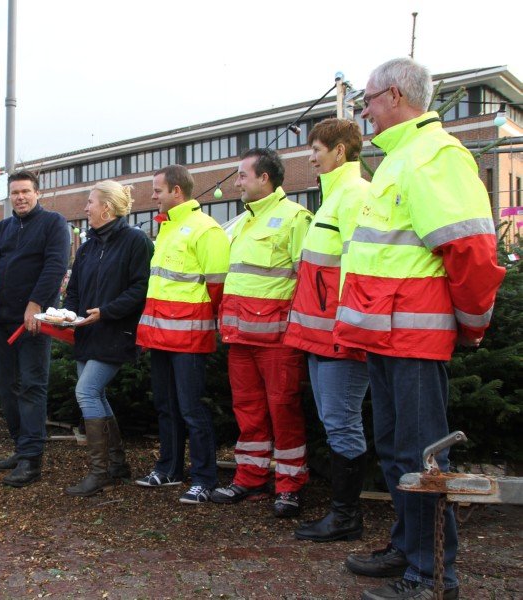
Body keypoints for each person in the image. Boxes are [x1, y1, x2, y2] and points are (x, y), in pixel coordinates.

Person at [334, 58, 504, 600]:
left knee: (422, 457)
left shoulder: (433, 156)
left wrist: (471, 327)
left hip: (412, 337)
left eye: (367, 99)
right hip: (388, 335)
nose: (363, 110)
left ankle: (432, 577)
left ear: (395, 96)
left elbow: (472, 253)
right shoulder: (401, 158)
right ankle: (408, 549)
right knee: (396, 450)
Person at [282, 119, 370, 542]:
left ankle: (346, 517)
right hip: (323, 338)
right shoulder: (333, 199)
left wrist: (346, 327)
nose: (310, 156)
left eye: (316, 148)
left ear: (340, 152)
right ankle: (342, 514)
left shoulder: (354, 196)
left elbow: (361, 270)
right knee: (334, 420)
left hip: (341, 338)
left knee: (341, 422)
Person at [214, 148, 312, 518]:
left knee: (283, 410)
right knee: (249, 411)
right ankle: (250, 477)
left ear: (263, 178)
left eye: (241, 175)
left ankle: (289, 486)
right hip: (240, 338)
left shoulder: (295, 218)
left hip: (278, 340)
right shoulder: (241, 223)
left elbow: (307, 279)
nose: (237, 182)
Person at [0, 170, 70, 487]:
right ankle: (22, 447)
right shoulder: (4, 228)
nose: (20, 197)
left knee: (32, 386)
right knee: (5, 386)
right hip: (3, 320)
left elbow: (55, 266)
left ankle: (32, 459)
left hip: (34, 324)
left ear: (37, 193)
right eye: (15, 193)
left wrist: (35, 305)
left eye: (25, 191)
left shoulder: (54, 224)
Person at [135, 164, 230, 504]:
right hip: (162, 335)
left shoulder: (205, 229)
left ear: (177, 191)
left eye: (158, 189)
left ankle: (204, 478)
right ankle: (170, 469)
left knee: (191, 409)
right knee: (166, 405)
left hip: (188, 336)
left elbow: (217, 285)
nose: (153, 195)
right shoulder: (169, 229)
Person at [62, 180, 153, 497]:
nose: (85, 208)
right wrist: (67, 315)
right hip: (87, 332)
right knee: (96, 395)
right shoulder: (87, 246)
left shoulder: (136, 242)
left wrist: (107, 311)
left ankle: (99, 473)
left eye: (90, 202)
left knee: (86, 391)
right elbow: (73, 290)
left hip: (115, 332)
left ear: (107, 207)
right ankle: (117, 466)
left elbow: (140, 289)